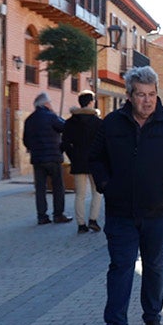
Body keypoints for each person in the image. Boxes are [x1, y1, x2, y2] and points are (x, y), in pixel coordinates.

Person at [86, 66, 163, 325]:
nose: (147, 101)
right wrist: (105, 185)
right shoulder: (112, 123)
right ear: (129, 95)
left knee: (155, 266)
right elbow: (95, 158)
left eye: (151, 94)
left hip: (160, 211)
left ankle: (152, 319)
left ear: (156, 94)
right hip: (121, 210)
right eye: (140, 95)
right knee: (120, 266)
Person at [22, 92, 71, 225]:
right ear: (45, 104)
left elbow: (25, 141)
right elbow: (65, 127)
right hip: (53, 157)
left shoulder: (29, 120)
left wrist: (34, 149)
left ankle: (42, 216)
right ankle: (58, 215)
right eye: (49, 102)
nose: (51, 104)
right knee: (58, 187)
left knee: (40, 189)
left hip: (37, 159)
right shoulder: (51, 117)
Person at [61, 90, 103, 233]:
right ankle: (93, 219)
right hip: (95, 162)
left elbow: (65, 144)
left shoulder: (70, 122)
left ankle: (81, 224)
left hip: (78, 162)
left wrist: (74, 157)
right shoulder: (98, 123)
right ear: (91, 102)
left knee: (80, 194)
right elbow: (104, 144)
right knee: (97, 192)